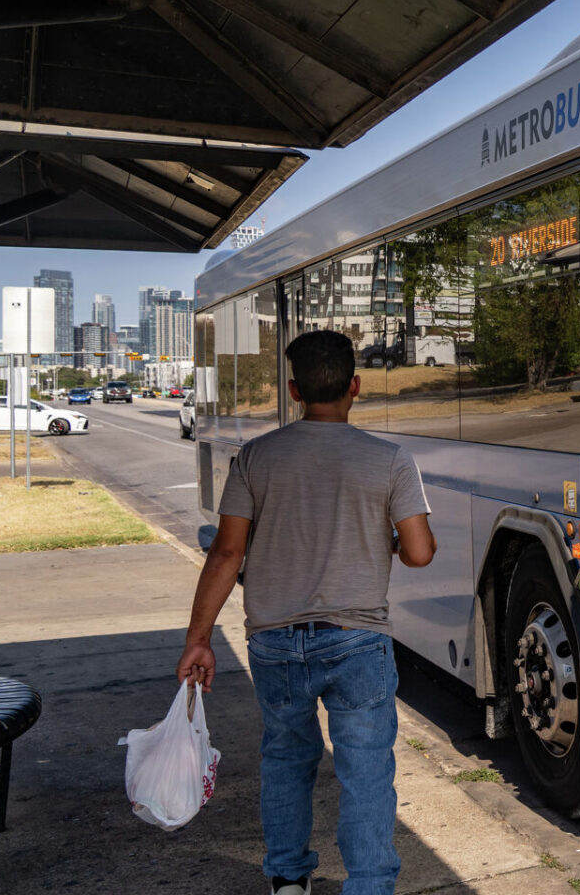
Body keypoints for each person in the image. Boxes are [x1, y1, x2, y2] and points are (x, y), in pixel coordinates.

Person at [176, 329, 436, 895]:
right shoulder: (390, 460)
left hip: (274, 641)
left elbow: (227, 552)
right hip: (358, 640)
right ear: (356, 388)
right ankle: (368, 885)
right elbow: (419, 552)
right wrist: (381, 540)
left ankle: (289, 880)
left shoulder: (256, 457)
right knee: (366, 774)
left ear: (294, 390)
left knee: (286, 761)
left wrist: (198, 640)